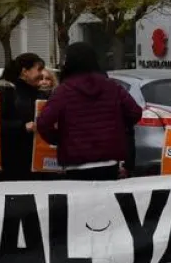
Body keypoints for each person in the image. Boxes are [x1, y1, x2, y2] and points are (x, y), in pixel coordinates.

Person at [36, 42, 142, 181]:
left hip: (75, 161)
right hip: (109, 159)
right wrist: (116, 129)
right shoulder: (111, 86)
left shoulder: (64, 90)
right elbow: (135, 112)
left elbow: (43, 123)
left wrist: (60, 139)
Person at [0, 53, 53, 182]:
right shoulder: (6, 92)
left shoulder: (40, 94)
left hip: (37, 165)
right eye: (38, 69)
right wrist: (22, 127)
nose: (42, 73)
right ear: (25, 71)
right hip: (12, 164)